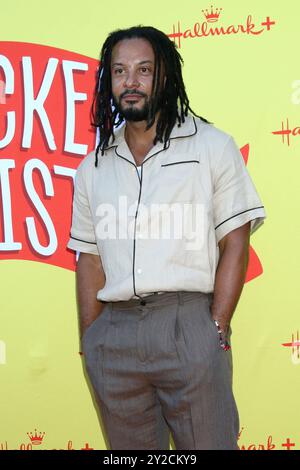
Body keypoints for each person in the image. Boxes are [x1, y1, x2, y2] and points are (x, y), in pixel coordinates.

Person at [67, 25, 267, 450]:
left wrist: (215, 326)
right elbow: (90, 259)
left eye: (144, 70)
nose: (131, 82)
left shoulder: (211, 146)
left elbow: (235, 240)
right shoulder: (93, 169)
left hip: (188, 325)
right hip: (114, 334)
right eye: (119, 71)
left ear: (166, 77)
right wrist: (92, 338)